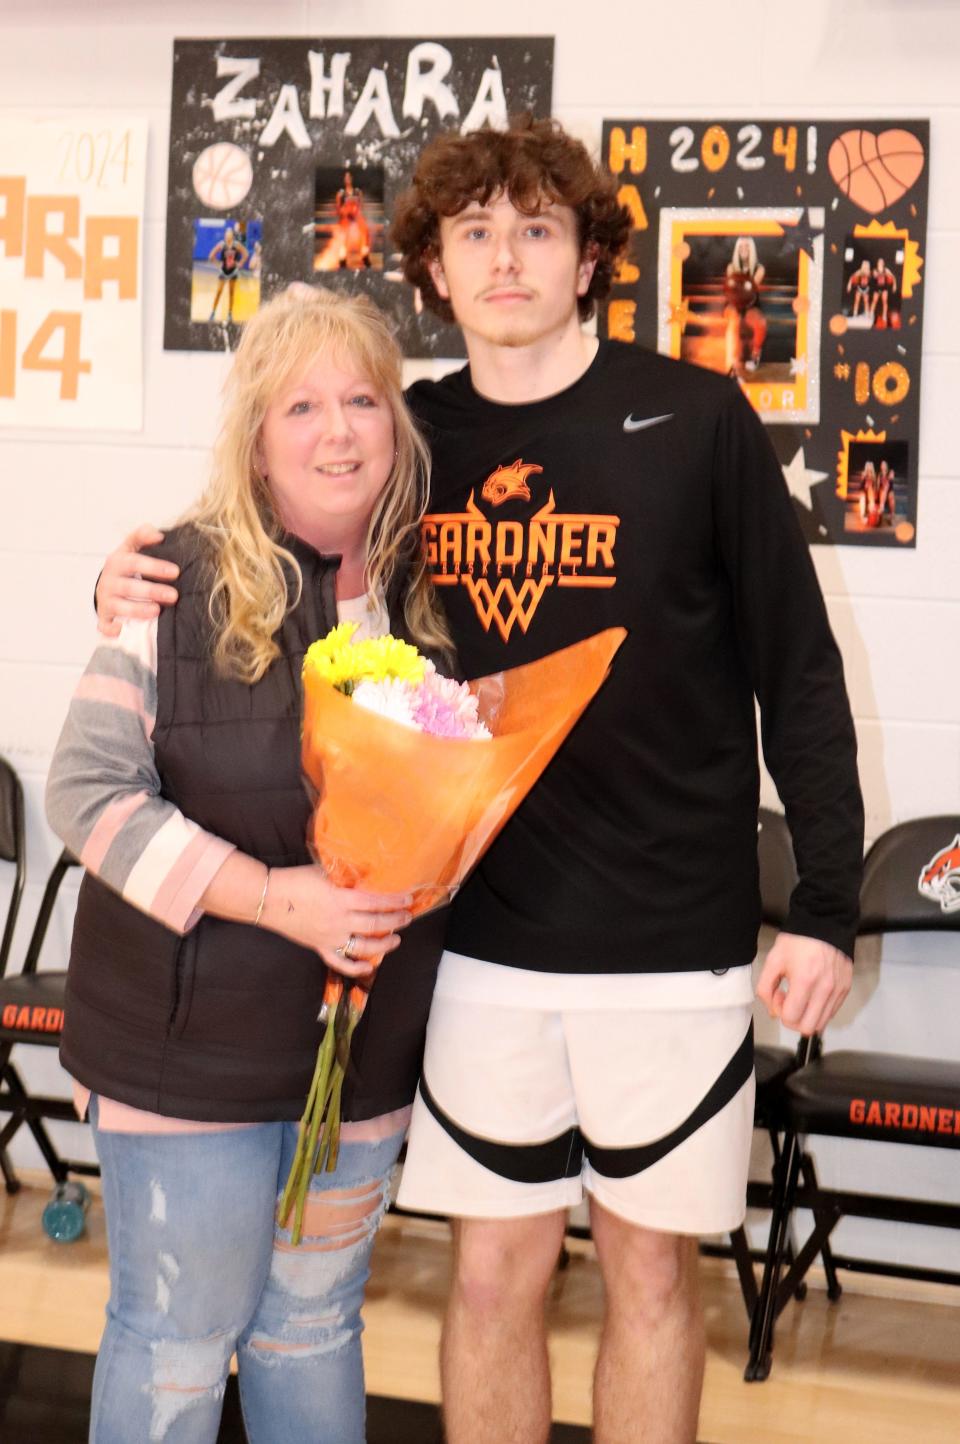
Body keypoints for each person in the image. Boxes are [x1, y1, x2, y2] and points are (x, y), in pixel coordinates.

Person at [95, 116, 864, 1444]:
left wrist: (829, 905)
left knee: (649, 1276)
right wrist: (125, 584)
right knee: (495, 1274)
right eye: (474, 235)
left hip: (670, 947)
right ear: (434, 271)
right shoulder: (410, 437)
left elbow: (798, 672)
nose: (506, 259)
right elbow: (266, 552)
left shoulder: (694, 419)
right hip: (476, 946)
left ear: (586, 259)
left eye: (537, 231)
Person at [47, 286, 451, 1444]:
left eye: (363, 399)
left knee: (313, 1329)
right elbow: (85, 793)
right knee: (180, 1336)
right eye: (302, 406)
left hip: (354, 1061)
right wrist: (283, 901)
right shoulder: (168, 585)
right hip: (188, 1062)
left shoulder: (433, 598)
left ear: (398, 421)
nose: (338, 431)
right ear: (255, 436)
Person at [723, 234, 767, 373]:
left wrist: (740, 286)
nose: (743, 249)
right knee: (733, 324)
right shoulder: (731, 267)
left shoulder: (759, 269)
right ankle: (732, 363)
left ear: (752, 249)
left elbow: (751, 291)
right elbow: (732, 291)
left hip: (751, 303)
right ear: (737, 249)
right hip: (734, 303)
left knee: (760, 322)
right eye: (740, 246)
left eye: (747, 246)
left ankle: (755, 355)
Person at [208, 224, 249, 322]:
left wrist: (240, 263)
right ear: (225, 235)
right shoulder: (222, 244)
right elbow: (211, 256)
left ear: (232, 235)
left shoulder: (236, 245)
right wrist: (218, 264)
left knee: (231, 293)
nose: (228, 236)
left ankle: (230, 313)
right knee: (219, 292)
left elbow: (246, 254)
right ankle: (213, 312)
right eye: (227, 234)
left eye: (230, 234)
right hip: (223, 271)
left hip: (233, 271)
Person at [871, 256, 898, 327]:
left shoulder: (886, 270)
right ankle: (870, 315)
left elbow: (893, 276)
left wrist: (894, 285)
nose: (880, 262)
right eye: (879, 261)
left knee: (884, 301)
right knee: (874, 301)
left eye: (881, 261)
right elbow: (874, 275)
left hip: (884, 287)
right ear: (877, 263)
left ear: (883, 263)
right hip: (877, 287)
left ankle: (884, 316)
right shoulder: (875, 270)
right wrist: (879, 274)